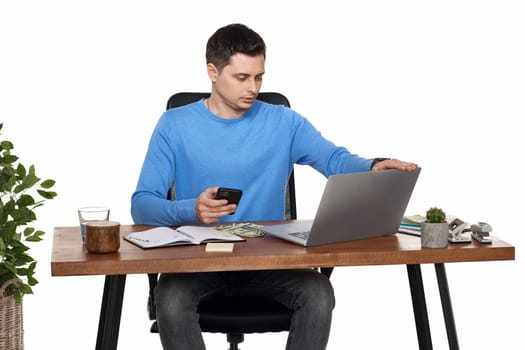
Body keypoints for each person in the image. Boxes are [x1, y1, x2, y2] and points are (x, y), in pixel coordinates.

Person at [131, 23, 418, 350]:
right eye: (242, 78)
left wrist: (372, 165)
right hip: (198, 262)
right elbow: (142, 204)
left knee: (318, 293)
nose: (252, 87)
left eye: (259, 77)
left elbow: (335, 160)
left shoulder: (284, 121)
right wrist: (189, 209)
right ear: (212, 71)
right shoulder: (174, 125)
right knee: (169, 297)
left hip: (267, 261)